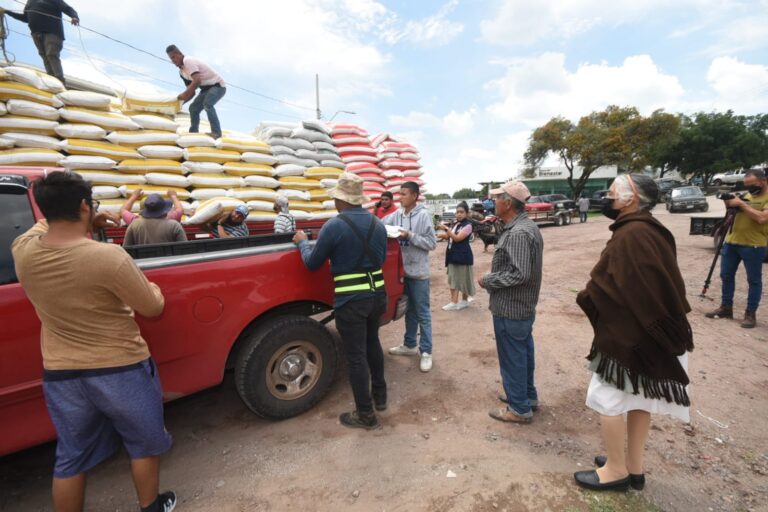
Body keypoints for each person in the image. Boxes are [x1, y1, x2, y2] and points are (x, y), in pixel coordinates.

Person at [11, 172, 176, 512]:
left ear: (42, 209)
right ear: (85, 205)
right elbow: (152, 306)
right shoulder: (107, 258)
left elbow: (43, 228)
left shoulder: (23, 251)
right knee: (143, 444)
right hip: (121, 369)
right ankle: (151, 506)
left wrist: (82, 221)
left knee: (72, 456)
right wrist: (155, 288)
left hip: (61, 374)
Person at [573, 174, 694, 492]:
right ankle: (634, 468)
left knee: (606, 399)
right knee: (640, 398)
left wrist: (589, 294)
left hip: (629, 337)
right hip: (652, 334)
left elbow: (613, 285)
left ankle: (615, 471)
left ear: (631, 199)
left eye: (611, 193)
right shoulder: (650, 229)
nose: (606, 198)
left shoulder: (632, 234)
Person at [292, 173, 388, 430]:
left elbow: (313, 264)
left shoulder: (334, 226)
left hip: (352, 299)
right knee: (372, 343)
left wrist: (303, 244)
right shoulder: (378, 224)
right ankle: (380, 397)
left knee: (356, 356)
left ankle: (365, 414)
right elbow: (379, 260)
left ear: (341, 199)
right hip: (378, 293)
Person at [478, 181, 543, 424]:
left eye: (496, 199)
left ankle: (519, 409)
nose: (493, 203)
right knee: (523, 352)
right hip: (520, 306)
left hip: (511, 307)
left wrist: (488, 279)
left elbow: (519, 273)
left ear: (507, 203)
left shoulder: (517, 233)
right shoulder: (524, 227)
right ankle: (526, 397)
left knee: (513, 356)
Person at [382, 182, 437, 372]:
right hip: (402, 273)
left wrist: (410, 235)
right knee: (409, 311)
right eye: (400, 194)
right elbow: (380, 224)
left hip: (419, 273)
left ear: (414, 196)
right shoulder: (397, 215)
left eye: (404, 194)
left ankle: (426, 352)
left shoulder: (423, 216)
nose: (400, 197)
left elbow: (431, 243)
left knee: (422, 313)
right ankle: (409, 344)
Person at [705, 168, 768, 328]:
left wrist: (741, 204)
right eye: (746, 185)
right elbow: (733, 211)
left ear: (763, 181)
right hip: (732, 242)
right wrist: (729, 202)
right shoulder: (746, 196)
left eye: (752, 185)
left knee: (753, 281)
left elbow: (761, 218)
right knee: (726, 276)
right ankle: (726, 308)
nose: (749, 189)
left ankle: (750, 314)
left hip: (753, 245)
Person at [3, 1, 79, 84]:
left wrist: (74, 17)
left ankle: (59, 80)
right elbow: (25, 18)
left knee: (51, 54)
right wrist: (7, 12)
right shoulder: (30, 2)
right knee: (44, 56)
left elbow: (67, 8)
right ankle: (51, 80)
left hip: (52, 32)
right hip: (36, 33)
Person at [166, 44, 226, 139]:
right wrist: (179, 104)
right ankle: (193, 133)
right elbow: (191, 92)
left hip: (218, 86)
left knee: (208, 104)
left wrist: (184, 94)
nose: (173, 60)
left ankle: (216, 133)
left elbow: (197, 81)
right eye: (171, 58)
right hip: (206, 89)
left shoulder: (188, 61)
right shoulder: (182, 72)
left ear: (179, 53)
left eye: (174, 57)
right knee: (193, 108)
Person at [438, 201, 475, 311]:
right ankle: (455, 301)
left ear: (467, 213)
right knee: (453, 278)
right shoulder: (456, 224)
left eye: (461, 212)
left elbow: (457, 238)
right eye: (457, 212)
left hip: (463, 256)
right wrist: (442, 235)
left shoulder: (468, 225)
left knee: (464, 279)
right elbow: (451, 237)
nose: (459, 214)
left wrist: (446, 229)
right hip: (453, 254)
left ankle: (461, 301)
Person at [123, 194, 187, 246]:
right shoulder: (174, 225)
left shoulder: (134, 225)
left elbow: (126, 249)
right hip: (170, 261)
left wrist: (135, 195)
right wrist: (173, 196)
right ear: (164, 209)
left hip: (143, 261)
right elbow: (185, 248)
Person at [119, 189, 184, 227]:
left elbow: (123, 210)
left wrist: (134, 196)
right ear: (163, 209)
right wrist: (173, 196)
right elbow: (179, 210)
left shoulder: (135, 222)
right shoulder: (171, 220)